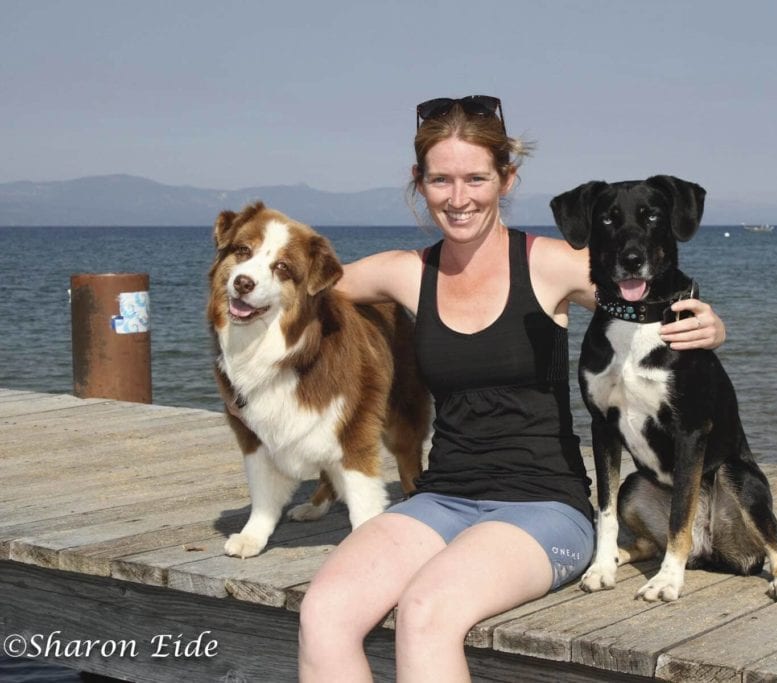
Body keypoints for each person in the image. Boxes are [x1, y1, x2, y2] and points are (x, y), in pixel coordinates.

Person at [297, 95, 726, 682]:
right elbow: (308, 286)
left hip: (544, 508)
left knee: (426, 609)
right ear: (419, 183)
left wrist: (710, 323)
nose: (459, 197)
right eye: (441, 179)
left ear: (506, 179)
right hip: (440, 498)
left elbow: (654, 288)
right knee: (323, 610)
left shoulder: (552, 264)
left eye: (476, 178)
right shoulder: (405, 272)